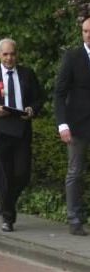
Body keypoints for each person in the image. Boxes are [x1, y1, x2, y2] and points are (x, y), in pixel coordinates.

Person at [0, 38, 42, 232]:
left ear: (17, 54)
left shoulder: (27, 74)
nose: (9, 58)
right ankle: (8, 217)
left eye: (12, 54)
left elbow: (39, 99)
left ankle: (7, 202)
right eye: (5, 54)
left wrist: (32, 109)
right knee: (4, 176)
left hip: (21, 130)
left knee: (22, 174)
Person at [55, 16, 90, 236]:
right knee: (75, 172)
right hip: (77, 124)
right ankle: (74, 218)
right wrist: (62, 124)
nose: (88, 35)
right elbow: (59, 93)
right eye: (86, 31)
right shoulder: (72, 57)